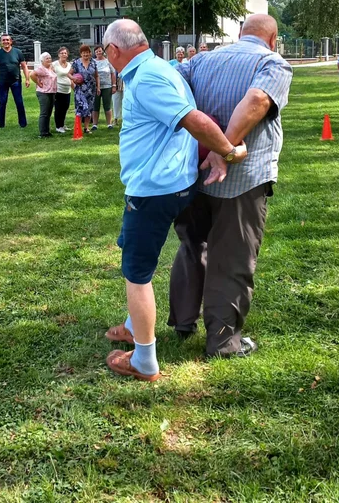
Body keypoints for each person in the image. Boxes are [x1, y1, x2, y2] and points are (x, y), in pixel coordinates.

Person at [102, 20, 248, 382]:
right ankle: (133, 326)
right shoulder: (158, 68)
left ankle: (144, 360)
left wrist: (227, 150)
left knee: (136, 275)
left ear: (113, 51)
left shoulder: (149, 77)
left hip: (154, 190)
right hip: (171, 185)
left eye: (106, 53)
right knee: (140, 252)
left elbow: (193, 120)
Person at [168, 14, 293, 358]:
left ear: (240, 34)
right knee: (232, 256)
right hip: (241, 178)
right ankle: (223, 342)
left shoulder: (199, 60)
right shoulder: (272, 62)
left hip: (192, 174)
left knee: (192, 245)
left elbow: (170, 93)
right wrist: (225, 150)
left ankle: (182, 320)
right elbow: (256, 102)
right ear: (272, 39)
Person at [0, 33, 29, 128]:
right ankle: (1, 124)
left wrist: (27, 79)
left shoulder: (18, 52)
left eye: (7, 40)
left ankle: (23, 124)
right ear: (1, 42)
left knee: (19, 102)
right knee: (2, 102)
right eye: (3, 40)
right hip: (3, 82)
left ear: (11, 41)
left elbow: (24, 66)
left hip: (16, 81)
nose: (5, 41)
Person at [70, 44, 99, 134]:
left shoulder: (93, 62)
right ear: (81, 54)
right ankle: (77, 128)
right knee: (80, 108)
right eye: (84, 53)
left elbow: (97, 76)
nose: (86, 54)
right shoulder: (76, 62)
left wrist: (98, 87)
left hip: (91, 89)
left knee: (89, 109)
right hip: (80, 89)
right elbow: (69, 74)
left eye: (87, 52)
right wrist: (73, 79)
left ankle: (86, 128)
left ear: (90, 53)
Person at [30, 52, 57, 137]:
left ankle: (47, 131)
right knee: (44, 113)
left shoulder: (51, 68)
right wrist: (38, 82)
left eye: (49, 58)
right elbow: (32, 74)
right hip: (43, 93)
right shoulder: (41, 69)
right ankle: (43, 132)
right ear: (42, 61)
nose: (49, 60)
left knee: (49, 113)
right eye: (47, 58)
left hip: (51, 92)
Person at [92, 45, 117, 130]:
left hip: (107, 86)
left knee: (107, 105)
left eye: (100, 51)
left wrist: (114, 85)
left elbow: (113, 74)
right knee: (95, 106)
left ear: (103, 51)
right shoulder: (93, 62)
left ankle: (109, 124)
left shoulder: (108, 61)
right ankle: (94, 124)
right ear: (95, 53)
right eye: (97, 51)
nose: (99, 52)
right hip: (96, 87)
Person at [52, 47, 72, 133]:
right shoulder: (54, 64)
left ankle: (62, 125)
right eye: (62, 53)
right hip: (58, 90)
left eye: (65, 53)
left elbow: (71, 76)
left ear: (67, 55)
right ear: (58, 54)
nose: (64, 54)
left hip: (67, 90)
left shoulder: (70, 65)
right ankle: (58, 126)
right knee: (58, 108)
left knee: (65, 108)